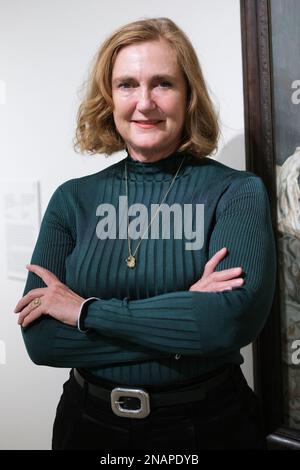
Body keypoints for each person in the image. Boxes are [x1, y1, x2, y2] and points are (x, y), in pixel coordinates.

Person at [14, 17, 276, 450]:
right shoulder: (73, 200)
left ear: (188, 95)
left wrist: (85, 313)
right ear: (108, 97)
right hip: (87, 423)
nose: (145, 102)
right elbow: (42, 340)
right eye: (127, 85)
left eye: (163, 84)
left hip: (207, 425)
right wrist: (186, 319)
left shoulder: (235, 191)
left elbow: (231, 323)